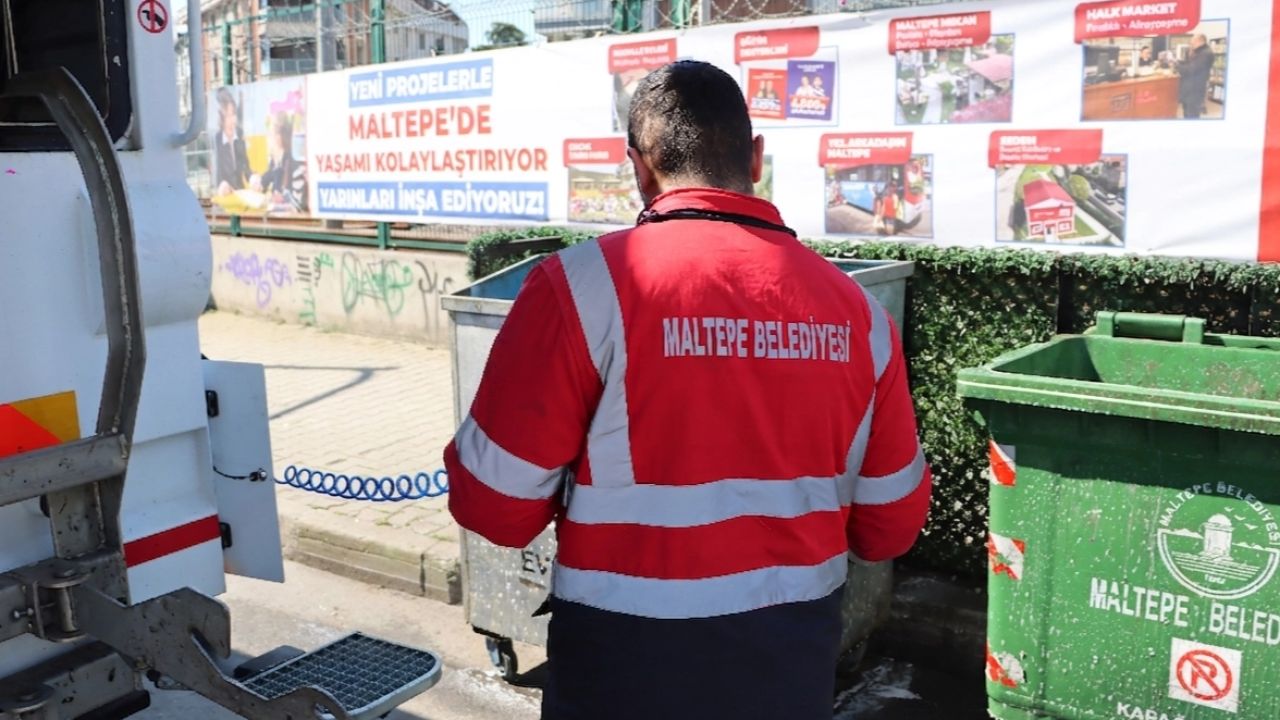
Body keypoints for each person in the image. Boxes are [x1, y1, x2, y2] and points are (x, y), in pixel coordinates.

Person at [444, 60, 932, 720]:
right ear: (755, 158)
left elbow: (494, 506)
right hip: (789, 672)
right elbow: (890, 525)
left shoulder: (581, 289)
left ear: (639, 168)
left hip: (622, 670)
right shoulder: (860, 316)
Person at [258, 112, 308, 212]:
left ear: (279, 136)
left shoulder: (295, 162)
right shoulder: (276, 162)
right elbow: (264, 182)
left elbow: (299, 205)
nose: (268, 138)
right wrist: (257, 184)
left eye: (271, 133)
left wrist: (277, 204)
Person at [214, 88, 250, 195]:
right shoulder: (217, 140)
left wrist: (253, 178)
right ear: (221, 118)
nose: (232, 120)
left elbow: (246, 168)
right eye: (228, 116)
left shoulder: (239, 137)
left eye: (233, 114)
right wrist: (221, 185)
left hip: (240, 195)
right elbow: (217, 174)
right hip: (224, 198)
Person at [1177, 34, 1214, 119]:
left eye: (1193, 43)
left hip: (1195, 90)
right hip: (1189, 89)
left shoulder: (1205, 53)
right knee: (1186, 111)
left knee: (1192, 114)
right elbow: (1189, 64)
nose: (1191, 45)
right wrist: (1179, 62)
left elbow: (1191, 70)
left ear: (1200, 41)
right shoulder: (1198, 52)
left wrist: (1177, 66)